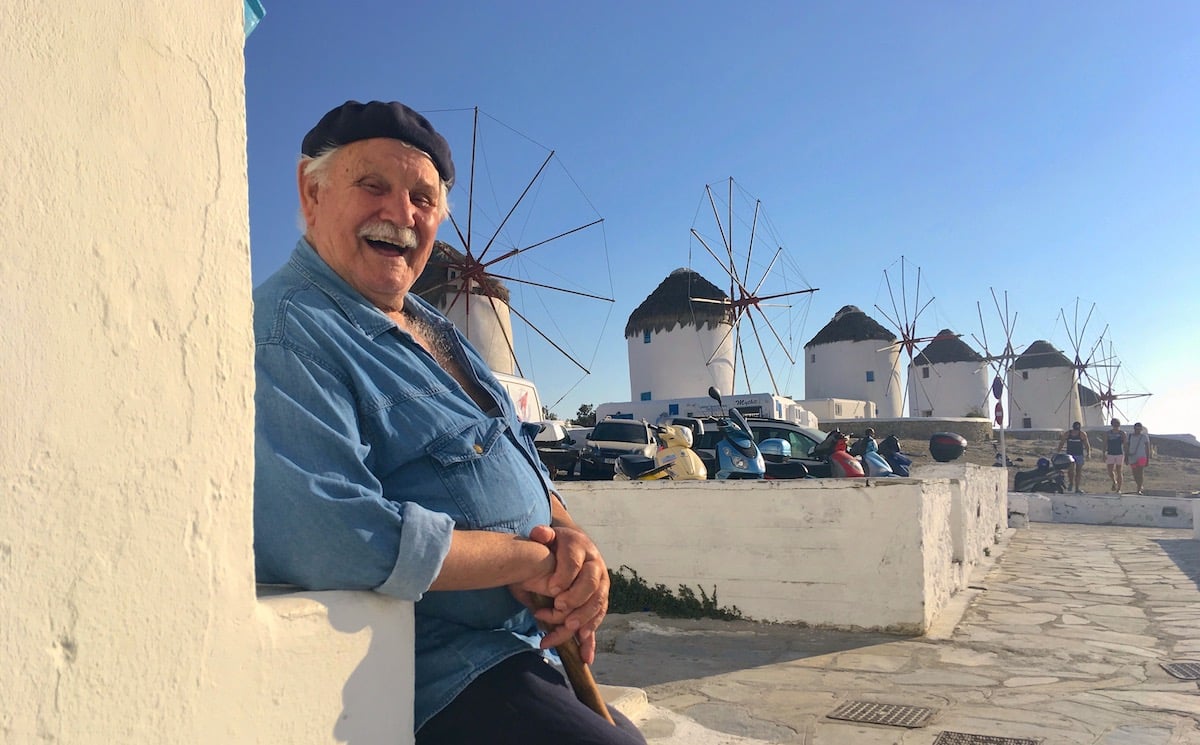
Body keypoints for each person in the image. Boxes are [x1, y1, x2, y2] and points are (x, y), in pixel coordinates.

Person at [252, 100, 646, 744]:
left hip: (520, 651)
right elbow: (335, 534)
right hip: (437, 674)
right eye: (372, 185)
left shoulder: (433, 327)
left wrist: (577, 545)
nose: (400, 214)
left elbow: (516, 456)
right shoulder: (290, 334)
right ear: (311, 191)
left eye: (422, 198)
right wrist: (526, 563)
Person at [1056, 421, 1091, 493]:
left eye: (1077, 429)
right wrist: (1058, 452)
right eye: (1075, 429)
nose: (1076, 431)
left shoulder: (1082, 434)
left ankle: (1077, 488)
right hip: (1070, 455)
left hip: (1079, 454)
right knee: (1070, 470)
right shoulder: (1067, 434)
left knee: (1078, 471)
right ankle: (1071, 483)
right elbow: (1062, 443)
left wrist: (1088, 453)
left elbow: (1086, 444)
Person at [1126, 422, 1151, 495]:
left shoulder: (1144, 437)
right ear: (1134, 428)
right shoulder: (1129, 436)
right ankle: (1139, 484)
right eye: (1137, 429)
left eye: (1139, 429)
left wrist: (1147, 459)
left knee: (1140, 472)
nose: (1138, 430)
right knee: (1134, 473)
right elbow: (1127, 446)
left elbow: (1147, 448)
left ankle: (1139, 489)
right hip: (1132, 457)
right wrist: (1126, 457)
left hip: (1142, 457)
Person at [1103, 418, 1127, 493]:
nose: (1116, 425)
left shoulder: (1122, 433)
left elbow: (1125, 444)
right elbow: (1105, 443)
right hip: (1110, 453)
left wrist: (1127, 454)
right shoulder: (1108, 433)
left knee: (1119, 471)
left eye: (1117, 424)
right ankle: (1114, 481)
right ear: (1112, 424)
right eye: (1114, 424)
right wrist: (1103, 453)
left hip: (1119, 453)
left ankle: (1119, 488)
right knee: (1110, 470)